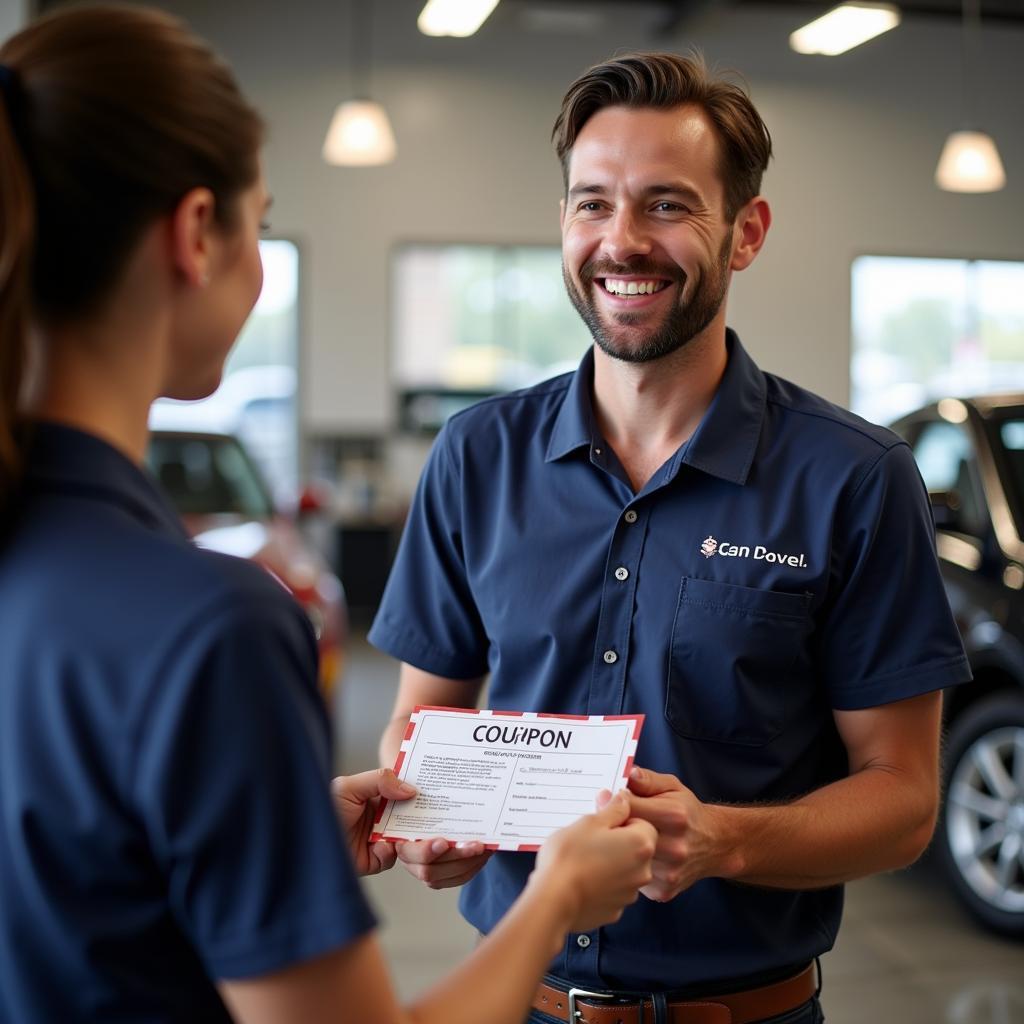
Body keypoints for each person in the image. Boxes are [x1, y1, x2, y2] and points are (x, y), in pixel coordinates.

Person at [0, 8, 657, 1023]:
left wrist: (278, 825)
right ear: (194, 234)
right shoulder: (210, 627)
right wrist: (557, 895)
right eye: (260, 226)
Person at [371, 52, 973, 1024]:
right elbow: (417, 725)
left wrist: (722, 838)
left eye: (665, 205)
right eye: (591, 203)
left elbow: (902, 800)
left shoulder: (853, 478)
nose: (621, 241)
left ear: (745, 233)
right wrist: (434, 820)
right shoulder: (475, 456)